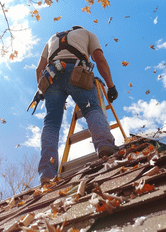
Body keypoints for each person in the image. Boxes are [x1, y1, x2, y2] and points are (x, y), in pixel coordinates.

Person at [36, 26, 119, 186]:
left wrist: (41, 91)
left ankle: (47, 172)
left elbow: (39, 69)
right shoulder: (87, 33)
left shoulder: (51, 39)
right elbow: (99, 59)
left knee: (51, 123)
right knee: (91, 109)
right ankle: (105, 146)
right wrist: (111, 86)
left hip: (51, 77)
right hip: (77, 72)